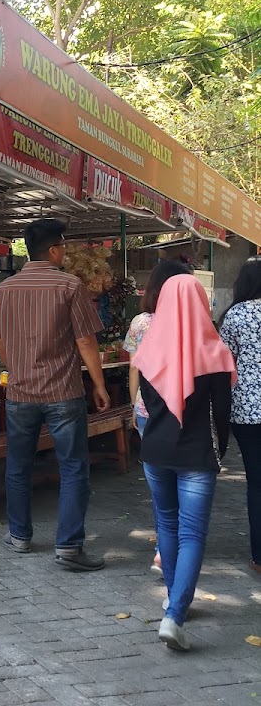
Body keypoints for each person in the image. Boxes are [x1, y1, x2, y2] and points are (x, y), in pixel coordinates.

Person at [0, 218, 110, 571]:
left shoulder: (6, 289)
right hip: (63, 393)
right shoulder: (70, 286)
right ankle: (69, 547)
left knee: (18, 465)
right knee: (73, 468)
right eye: (64, 248)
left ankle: (20, 536)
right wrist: (99, 385)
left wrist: (18, 370)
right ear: (54, 249)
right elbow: (85, 340)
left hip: (21, 394)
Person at [133, 276, 235, 651]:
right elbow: (222, 413)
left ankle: (175, 603)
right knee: (192, 534)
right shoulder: (214, 353)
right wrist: (218, 452)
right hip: (196, 455)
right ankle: (175, 614)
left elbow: (147, 404)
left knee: (167, 526)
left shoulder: (148, 351)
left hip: (155, 452)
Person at [123, 260, 193, 573]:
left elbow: (134, 368)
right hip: (184, 410)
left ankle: (165, 546)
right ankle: (177, 543)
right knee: (183, 479)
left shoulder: (140, 323)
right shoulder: (192, 321)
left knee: (159, 485)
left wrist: (132, 405)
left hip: (147, 413)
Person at [219, 256, 261, 575]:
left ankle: (259, 557)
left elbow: (224, 359)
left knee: (256, 481)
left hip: (246, 407)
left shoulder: (235, 314)